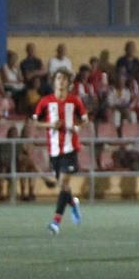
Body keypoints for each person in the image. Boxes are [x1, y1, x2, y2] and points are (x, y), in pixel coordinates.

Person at [30, 70, 86, 234]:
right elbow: (35, 122)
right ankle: (73, 203)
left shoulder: (74, 100)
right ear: (54, 81)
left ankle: (55, 222)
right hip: (54, 150)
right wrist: (50, 125)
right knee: (64, 186)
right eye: (58, 78)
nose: (61, 81)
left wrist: (77, 127)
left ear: (68, 83)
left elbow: (85, 119)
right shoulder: (45, 101)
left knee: (63, 184)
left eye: (64, 79)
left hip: (70, 148)